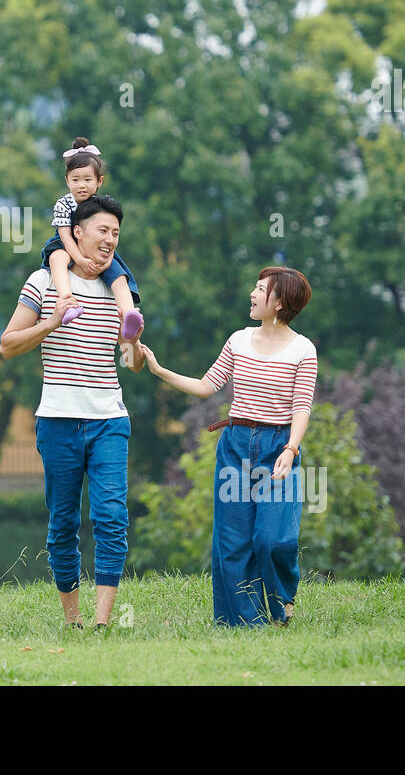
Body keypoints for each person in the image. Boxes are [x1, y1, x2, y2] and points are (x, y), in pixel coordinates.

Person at [138, 267, 317, 628]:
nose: (252, 293)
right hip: (235, 445)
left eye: (261, 288)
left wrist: (291, 449)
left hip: (277, 447)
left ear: (279, 302)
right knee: (233, 540)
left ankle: (282, 600)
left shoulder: (303, 349)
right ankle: (247, 624)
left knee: (273, 539)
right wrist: (158, 370)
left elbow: (302, 406)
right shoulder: (238, 340)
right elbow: (207, 385)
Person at [0, 195, 144, 630]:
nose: (110, 240)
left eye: (116, 234)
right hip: (58, 419)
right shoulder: (43, 281)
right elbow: (7, 345)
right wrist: (49, 323)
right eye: (103, 230)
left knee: (111, 517)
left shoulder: (121, 288)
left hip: (109, 419)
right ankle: (73, 621)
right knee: (63, 523)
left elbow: (132, 364)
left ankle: (102, 622)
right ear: (76, 232)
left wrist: (134, 346)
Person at [43, 137, 145, 368]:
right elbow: (66, 235)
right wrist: (78, 258)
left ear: (99, 181)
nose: (81, 185)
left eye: (87, 180)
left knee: (119, 275)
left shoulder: (100, 205)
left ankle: (129, 314)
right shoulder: (63, 204)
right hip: (65, 243)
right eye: (76, 180)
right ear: (67, 180)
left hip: (95, 252)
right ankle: (67, 301)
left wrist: (103, 255)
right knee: (57, 258)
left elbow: (106, 235)